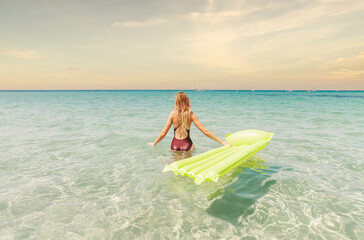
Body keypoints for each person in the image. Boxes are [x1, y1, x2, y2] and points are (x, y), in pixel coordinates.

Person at [148, 92, 232, 151]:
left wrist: (154, 143)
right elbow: (205, 131)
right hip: (186, 145)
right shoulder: (191, 115)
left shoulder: (172, 114)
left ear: (176, 102)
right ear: (187, 101)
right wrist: (222, 142)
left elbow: (163, 133)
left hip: (174, 145)